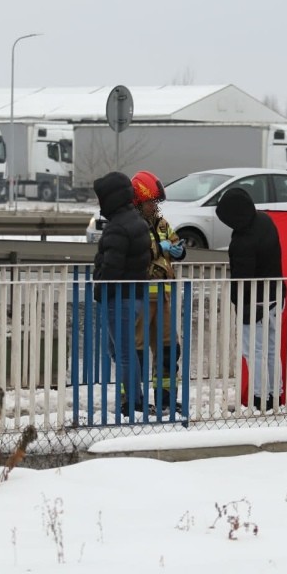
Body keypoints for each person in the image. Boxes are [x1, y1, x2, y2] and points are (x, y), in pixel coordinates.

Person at [214, 186, 283, 412]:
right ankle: (274, 394)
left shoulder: (243, 240)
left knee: (254, 351)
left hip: (253, 303)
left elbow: (242, 279)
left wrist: (238, 304)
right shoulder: (265, 221)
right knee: (271, 349)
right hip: (274, 296)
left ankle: (259, 397)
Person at [92, 171, 152, 417]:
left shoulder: (117, 227)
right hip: (136, 295)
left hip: (118, 298)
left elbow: (111, 268)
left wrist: (98, 287)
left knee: (124, 353)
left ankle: (133, 402)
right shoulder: (137, 221)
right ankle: (133, 398)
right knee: (120, 351)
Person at [130, 170, 187, 416]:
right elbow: (136, 251)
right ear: (138, 202)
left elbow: (175, 242)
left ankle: (166, 399)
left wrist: (178, 250)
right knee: (136, 351)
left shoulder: (161, 223)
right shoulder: (132, 225)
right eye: (150, 202)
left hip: (162, 296)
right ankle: (132, 401)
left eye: (155, 202)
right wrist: (158, 248)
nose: (154, 206)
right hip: (141, 296)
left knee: (169, 349)